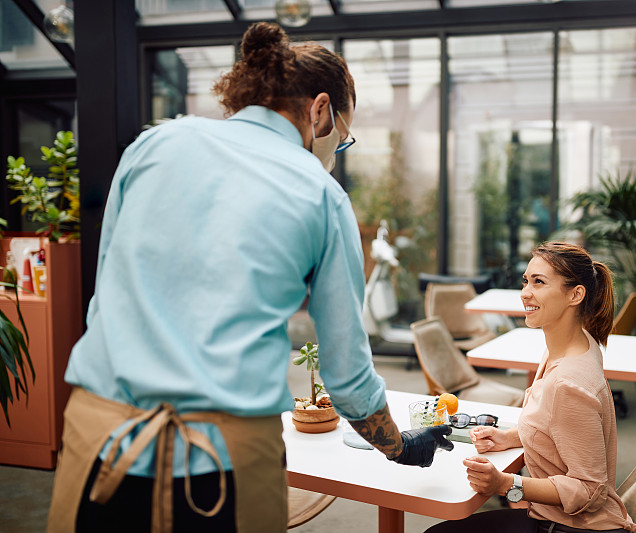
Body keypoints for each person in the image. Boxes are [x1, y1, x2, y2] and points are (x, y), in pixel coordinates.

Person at [47, 22, 452, 533]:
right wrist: (399, 445)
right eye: (342, 141)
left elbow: (105, 293)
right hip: (226, 462)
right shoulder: (321, 196)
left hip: (99, 441)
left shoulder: (153, 146)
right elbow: (347, 376)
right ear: (320, 110)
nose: (334, 155)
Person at [427, 242, 636, 533]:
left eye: (539, 282)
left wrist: (505, 483)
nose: (525, 292)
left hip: (572, 527)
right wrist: (511, 437)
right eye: (526, 281)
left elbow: (590, 489)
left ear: (575, 294)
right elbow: (557, 428)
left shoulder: (567, 383)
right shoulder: (575, 344)